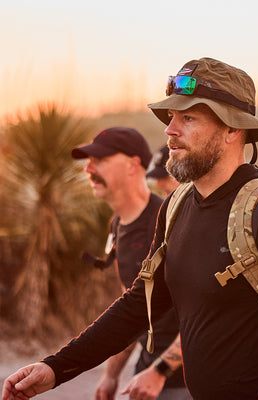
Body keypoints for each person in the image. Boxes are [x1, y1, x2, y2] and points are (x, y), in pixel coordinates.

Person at [2, 57, 258, 400]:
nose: (170, 130)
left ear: (233, 130)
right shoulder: (177, 207)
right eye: (171, 118)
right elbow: (139, 305)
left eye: (188, 118)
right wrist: (56, 368)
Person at [71, 127, 190, 400]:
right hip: (144, 377)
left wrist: (160, 371)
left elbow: (204, 311)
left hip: (182, 384)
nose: (88, 169)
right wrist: (111, 373)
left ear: (132, 165)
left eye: (99, 161)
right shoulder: (117, 225)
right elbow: (134, 304)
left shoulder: (170, 223)